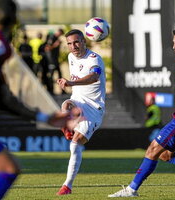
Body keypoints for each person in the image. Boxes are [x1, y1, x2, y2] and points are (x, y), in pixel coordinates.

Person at [0, 1, 80, 199]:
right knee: (7, 168)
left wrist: (45, 117)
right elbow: (3, 98)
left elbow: (3, 100)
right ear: (15, 21)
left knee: (7, 168)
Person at [108, 28, 175, 197]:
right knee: (165, 154)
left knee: (152, 149)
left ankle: (131, 189)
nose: (174, 47)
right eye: (173, 43)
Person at [56, 29, 106, 195]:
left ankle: (67, 186)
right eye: (69, 43)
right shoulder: (71, 57)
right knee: (65, 106)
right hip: (77, 101)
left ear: (84, 41)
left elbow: (94, 77)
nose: (73, 46)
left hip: (93, 108)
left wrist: (70, 82)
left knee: (75, 144)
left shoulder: (94, 59)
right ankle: (67, 127)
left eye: (76, 42)